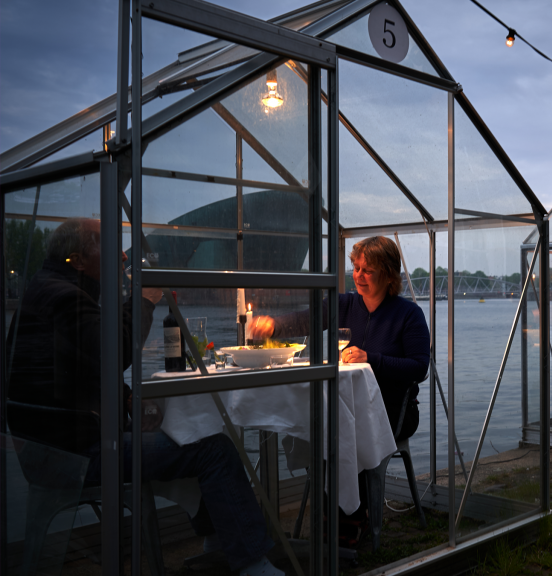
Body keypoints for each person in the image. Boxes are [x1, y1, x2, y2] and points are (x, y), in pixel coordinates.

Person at [6, 219, 282, 576]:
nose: (123, 255)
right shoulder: (64, 298)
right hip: (75, 454)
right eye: (109, 245)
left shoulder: (46, 291)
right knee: (213, 448)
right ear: (77, 259)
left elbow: (76, 370)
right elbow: (115, 350)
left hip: (51, 445)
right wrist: (145, 299)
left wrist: (125, 398)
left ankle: (218, 536)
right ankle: (252, 562)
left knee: (192, 431)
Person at [250, 236, 429, 543]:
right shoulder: (344, 305)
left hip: (394, 412)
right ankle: (335, 510)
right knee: (321, 423)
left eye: (367, 270)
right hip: (345, 408)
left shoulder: (408, 315)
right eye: (355, 268)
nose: (358, 275)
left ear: (388, 274)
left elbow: (418, 368)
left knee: (340, 427)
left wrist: (372, 358)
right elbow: (306, 319)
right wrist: (274, 326)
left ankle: (349, 517)